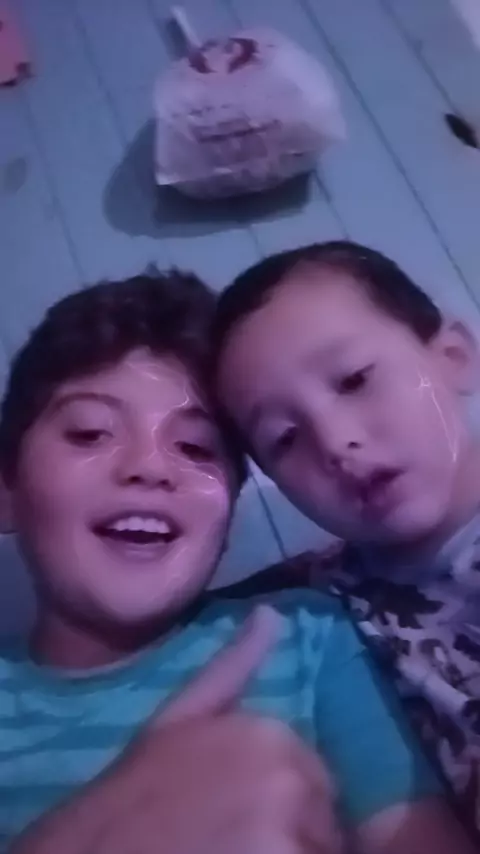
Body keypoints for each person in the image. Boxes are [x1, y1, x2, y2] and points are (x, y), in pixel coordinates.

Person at [0, 271, 468, 854]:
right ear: (7, 488)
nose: (151, 467)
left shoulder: (304, 634)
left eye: (196, 447)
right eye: (90, 432)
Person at [211, 240, 480, 840]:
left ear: (454, 356)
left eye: (355, 380)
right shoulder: (318, 614)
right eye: (284, 438)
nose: (335, 442)